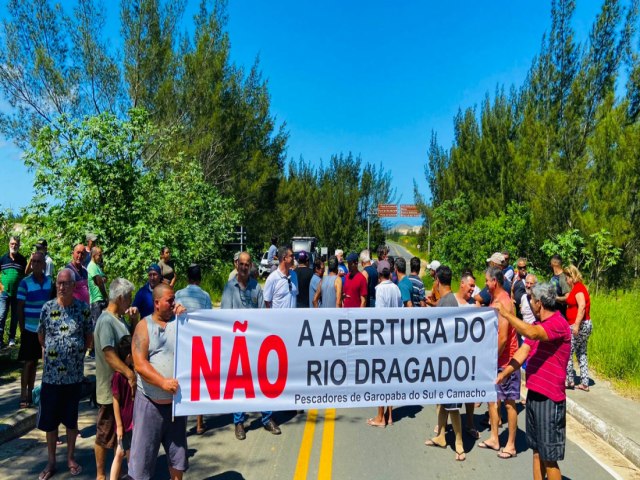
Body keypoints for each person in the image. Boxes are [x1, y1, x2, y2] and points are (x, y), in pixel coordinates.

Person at [495, 283, 571, 480]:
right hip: (534, 395)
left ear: (539, 303)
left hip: (550, 399)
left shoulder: (557, 324)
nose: (528, 306)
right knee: (536, 451)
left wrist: (506, 314)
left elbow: (531, 334)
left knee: (549, 457)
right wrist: (504, 373)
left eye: (531, 301)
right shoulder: (538, 326)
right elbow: (523, 351)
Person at [36, 268, 92, 480]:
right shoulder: (47, 308)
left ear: (73, 286)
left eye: (66, 283)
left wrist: (75, 353)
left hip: (73, 377)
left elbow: (88, 336)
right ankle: (51, 462)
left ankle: (70, 457)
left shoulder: (82, 309)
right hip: (51, 377)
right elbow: (41, 336)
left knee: (71, 420)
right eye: (59, 283)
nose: (62, 287)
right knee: (50, 422)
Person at [129, 283, 187, 480]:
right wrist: (162, 383)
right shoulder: (144, 326)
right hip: (149, 406)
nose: (173, 304)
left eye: (174, 300)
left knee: (178, 460)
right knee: (142, 464)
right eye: (170, 300)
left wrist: (187, 317)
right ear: (156, 303)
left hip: (175, 408)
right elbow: (139, 363)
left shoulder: (180, 321)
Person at [221, 252, 281, 439]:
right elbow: (224, 317)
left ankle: (267, 418)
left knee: (262, 381)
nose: (244, 267)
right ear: (236, 264)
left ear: (250, 265)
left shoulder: (256, 287)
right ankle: (239, 422)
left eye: (247, 264)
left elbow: (263, 314)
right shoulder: (229, 288)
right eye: (241, 264)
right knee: (239, 384)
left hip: (255, 344)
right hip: (237, 344)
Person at [93, 278, 139, 480]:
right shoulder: (105, 321)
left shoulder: (118, 318)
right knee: (105, 434)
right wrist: (129, 374)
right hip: (108, 391)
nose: (130, 301)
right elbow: (109, 354)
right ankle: (101, 475)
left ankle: (116, 473)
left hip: (121, 390)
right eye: (128, 297)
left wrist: (134, 321)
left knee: (119, 435)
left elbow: (129, 345)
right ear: (120, 298)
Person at [425, 265, 465, 461]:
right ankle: (441, 435)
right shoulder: (447, 300)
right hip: (442, 360)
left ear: (438, 282)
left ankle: (459, 443)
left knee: (452, 405)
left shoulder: (447, 303)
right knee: (441, 401)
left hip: (449, 361)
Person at [478, 266, 519, 459]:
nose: (485, 284)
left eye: (487, 280)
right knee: (492, 400)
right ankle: (495, 438)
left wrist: (492, 359)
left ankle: (510, 444)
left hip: (506, 360)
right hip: (497, 358)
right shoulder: (495, 299)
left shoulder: (503, 302)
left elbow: (503, 338)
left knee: (509, 403)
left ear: (495, 281)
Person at [175, 264, 212, 434]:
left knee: (182, 382)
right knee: (198, 383)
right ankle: (199, 423)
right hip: (199, 342)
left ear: (188, 278)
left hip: (182, 342)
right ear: (200, 279)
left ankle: (181, 423)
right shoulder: (205, 296)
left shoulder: (178, 294)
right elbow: (209, 319)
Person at [16, 251, 52, 408]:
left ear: (44, 264)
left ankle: (32, 392)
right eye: (34, 262)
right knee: (28, 362)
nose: (36, 264)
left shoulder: (50, 282)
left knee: (38, 362)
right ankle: (24, 394)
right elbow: (20, 306)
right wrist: (22, 327)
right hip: (30, 328)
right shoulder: (25, 282)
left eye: (39, 262)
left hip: (45, 329)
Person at [366, 267, 402, 428]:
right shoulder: (396, 289)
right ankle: (390, 416)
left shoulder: (379, 289)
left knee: (380, 377)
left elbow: (379, 315)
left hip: (383, 337)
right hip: (395, 337)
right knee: (391, 376)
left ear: (380, 276)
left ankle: (381, 417)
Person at [110, 335, 135, 480]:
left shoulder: (133, 373)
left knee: (121, 452)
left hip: (132, 421)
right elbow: (115, 401)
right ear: (129, 356)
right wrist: (119, 425)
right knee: (127, 454)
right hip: (125, 424)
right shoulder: (119, 376)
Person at [564, 265, 592, 391]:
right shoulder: (577, 288)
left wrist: (576, 325)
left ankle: (570, 380)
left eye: (567, 277)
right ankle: (584, 382)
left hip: (579, 325)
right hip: (582, 324)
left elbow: (581, 307)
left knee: (568, 352)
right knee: (581, 352)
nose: (566, 280)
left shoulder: (579, 289)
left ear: (572, 276)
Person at [0, 235, 27, 347]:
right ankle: (0, 339)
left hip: (17, 293)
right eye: (12, 243)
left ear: (19, 245)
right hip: (4, 292)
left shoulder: (22, 260)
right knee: (1, 315)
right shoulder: (3, 258)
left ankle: (11, 339)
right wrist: (0, 287)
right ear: (9, 244)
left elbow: (25, 275)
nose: (14, 246)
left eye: (16, 244)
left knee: (15, 316)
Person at [88, 246, 108, 336]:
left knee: (104, 326)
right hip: (96, 301)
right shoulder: (92, 266)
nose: (101, 258)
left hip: (101, 299)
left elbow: (105, 278)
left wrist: (102, 278)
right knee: (97, 326)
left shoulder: (97, 267)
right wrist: (106, 297)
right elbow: (99, 282)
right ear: (93, 255)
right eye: (99, 255)